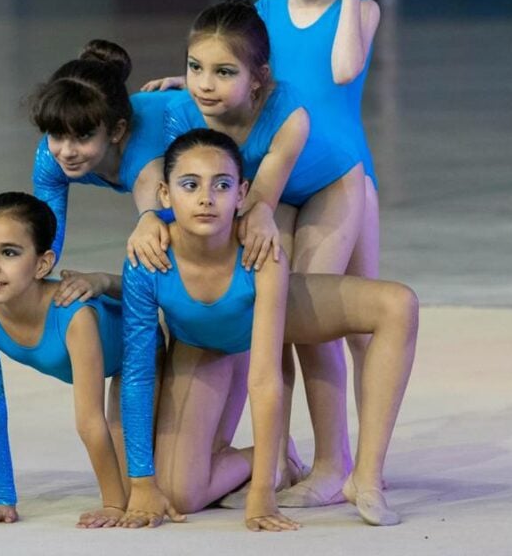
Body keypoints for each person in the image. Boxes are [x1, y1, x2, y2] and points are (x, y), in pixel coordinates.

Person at [143, 0, 383, 506]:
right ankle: (280, 454)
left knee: (319, 326)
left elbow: (342, 70)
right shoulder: (265, 11)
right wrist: (197, 79)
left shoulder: (358, 9)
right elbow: (240, 67)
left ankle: (339, 464)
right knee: (270, 319)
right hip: (273, 183)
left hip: (337, 178)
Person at [119, 129, 417, 530]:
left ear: (242, 194)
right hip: (201, 347)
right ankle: (273, 454)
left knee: (397, 304)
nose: (206, 198)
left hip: (265, 322)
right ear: (165, 195)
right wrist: (141, 482)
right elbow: (137, 376)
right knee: (183, 494)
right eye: (190, 185)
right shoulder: (147, 257)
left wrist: (262, 494)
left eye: (221, 185)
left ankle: (365, 475)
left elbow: (264, 378)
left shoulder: (257, 249)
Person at [0, 40, 173, 509]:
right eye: (56, 136)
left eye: (81, 138)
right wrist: (6, 284)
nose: (65, 151)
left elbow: (155, 276)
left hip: (215, 167)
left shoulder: (150, 169)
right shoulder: (53, 155)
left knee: (169, 482)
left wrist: (102, 282)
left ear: (118, 131)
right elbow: (43, 242)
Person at [0, 191, 139, 528]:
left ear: (43, 263)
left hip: (144, 356)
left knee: (167, 489)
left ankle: (259, 464)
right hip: (111, 364)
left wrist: (113, 504)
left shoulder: (73, 316)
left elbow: (89, 420)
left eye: (9, 252)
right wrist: (3, 499)